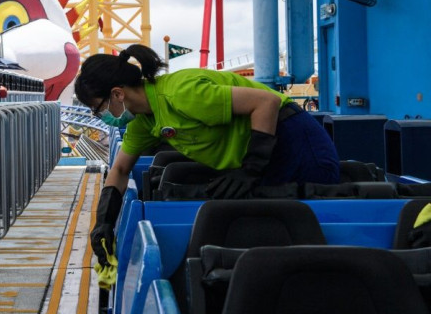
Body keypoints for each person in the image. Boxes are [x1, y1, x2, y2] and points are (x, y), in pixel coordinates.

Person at [74, 44, 340, 270]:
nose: (100, 117)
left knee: (305, 231)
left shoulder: (181, 94)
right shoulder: (145, 122)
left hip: (295, 143)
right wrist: (104, 222)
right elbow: (120, 170)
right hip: (263, 156)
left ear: (117, 93)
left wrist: (250, 169)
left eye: (98, 108)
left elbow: (266, 103)